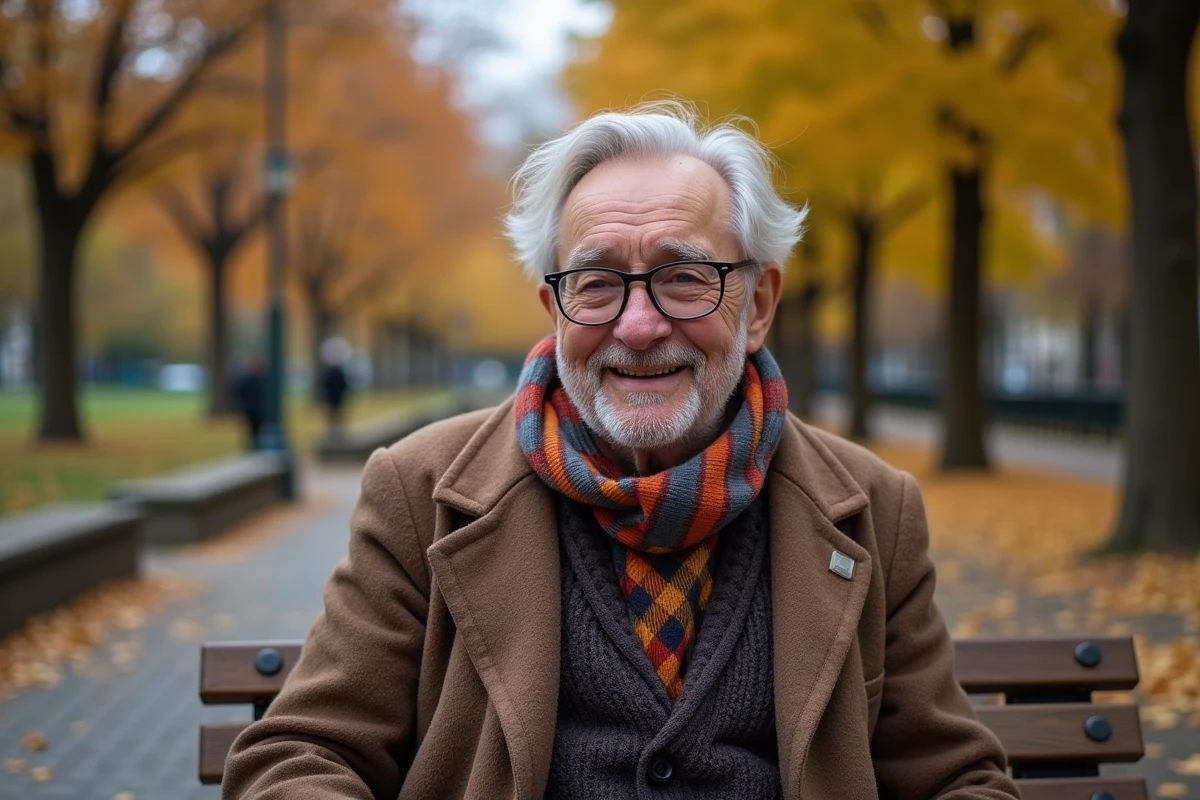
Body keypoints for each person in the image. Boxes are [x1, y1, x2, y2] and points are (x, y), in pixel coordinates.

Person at [223, 102, 1019, 799]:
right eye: (597, 283)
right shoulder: (419, 493)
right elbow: (299, 755)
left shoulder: (873, 511)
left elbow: (957, 779)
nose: (637, 327)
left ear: (758, 305)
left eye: (684, 277)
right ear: (554, 308)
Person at [231, 354, 265, 451]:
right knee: (252, 432)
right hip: (252, 411)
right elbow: (238, 393)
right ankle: (254, 448)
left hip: (257, 411)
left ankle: (256, 448)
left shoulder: (259, 379)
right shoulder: (248, 380)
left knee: (258, 431)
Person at [319, 337, 352, 434]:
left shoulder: (334, 372)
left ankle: (336, 429)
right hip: (335, 396)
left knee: (335, 414)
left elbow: (326, 384)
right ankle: (335, 429)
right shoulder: (334, 372)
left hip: (335, 396)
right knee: (334, 414)